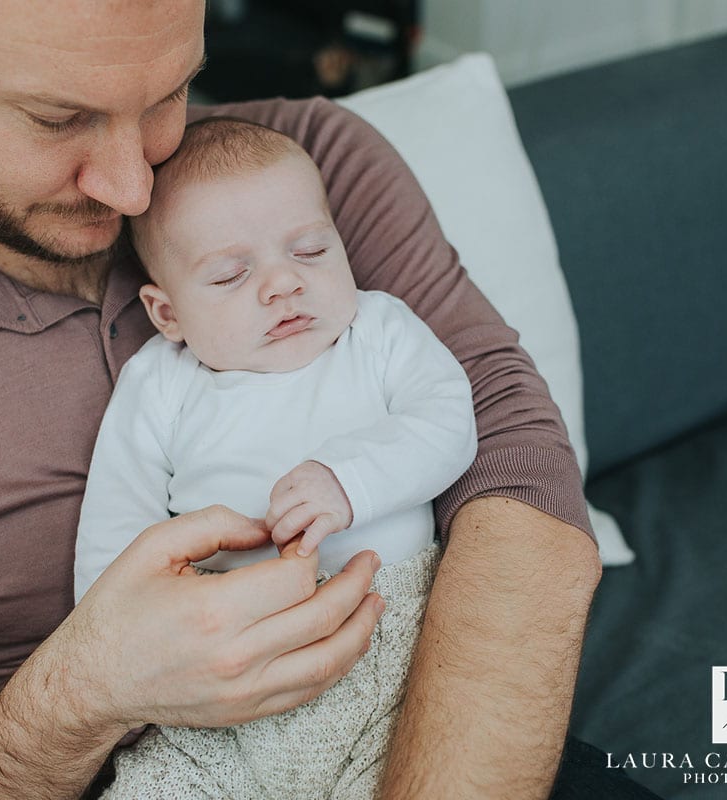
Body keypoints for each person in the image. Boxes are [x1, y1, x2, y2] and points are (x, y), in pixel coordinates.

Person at [0, 1, 659, 798]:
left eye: (168, 93)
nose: (130, 186)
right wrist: (88, 691)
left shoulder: (306, 165)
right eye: (54, 117)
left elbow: (515, 476)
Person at [74, 116, 478, 798]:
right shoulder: (161, 381)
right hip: (221, 688)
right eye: (232, 275)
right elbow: (117, 524)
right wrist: (125, 655)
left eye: (312, 251)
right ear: (167, 313)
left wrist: (349, 479)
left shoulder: (377, 332)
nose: (283, 284)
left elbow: (448, 423)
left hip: (386, 645)